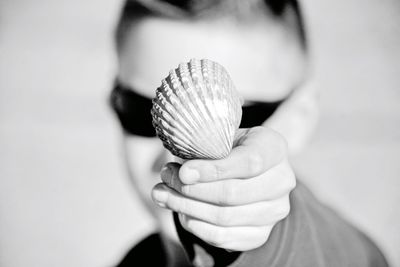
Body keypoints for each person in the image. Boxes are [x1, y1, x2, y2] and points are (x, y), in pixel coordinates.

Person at [110, 0, 389, 266]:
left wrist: (266, 244)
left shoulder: (337, 248)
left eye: (237, 120)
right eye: (140, 112)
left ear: (300, 118)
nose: (178, 156)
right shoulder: (137, 261)